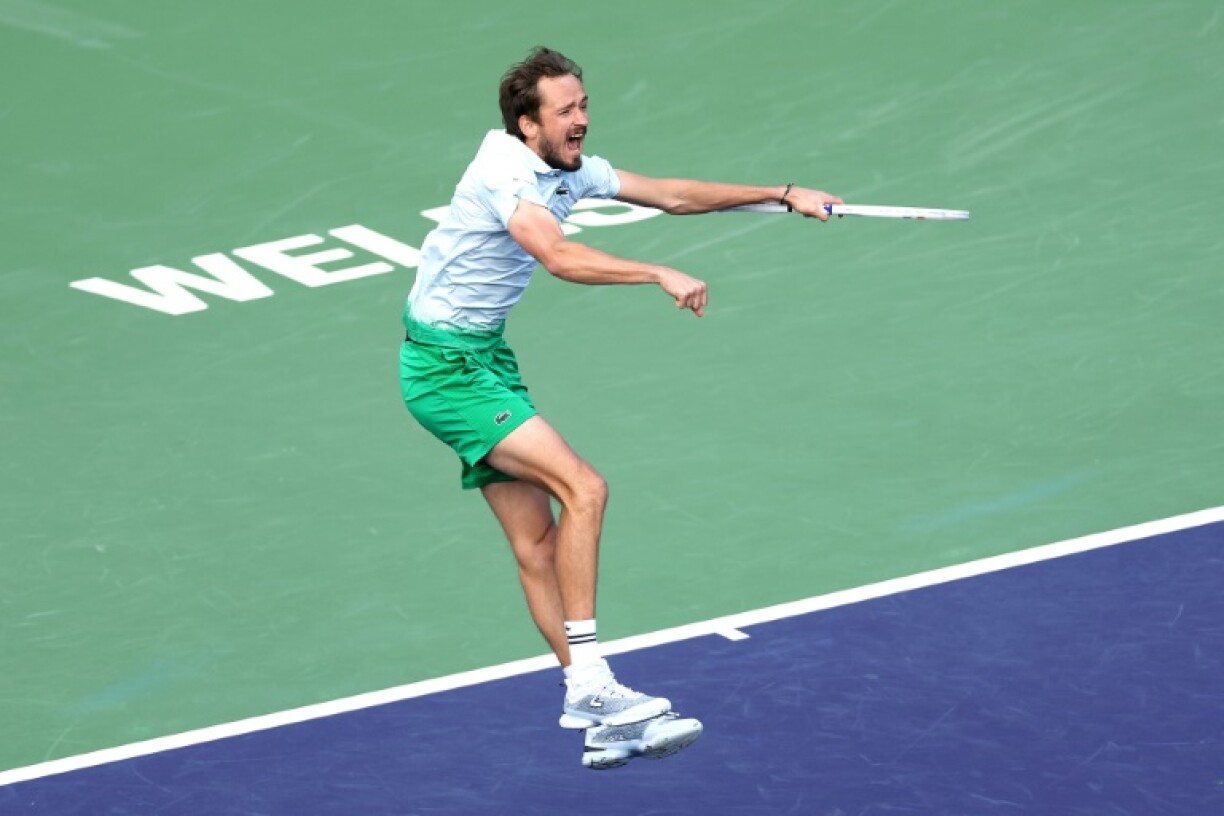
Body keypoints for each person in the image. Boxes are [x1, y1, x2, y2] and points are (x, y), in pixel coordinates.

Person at [399, 46, 842, 768]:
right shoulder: (506, 174)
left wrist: (782, 193)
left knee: (535, 546)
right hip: (448, 372)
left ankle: (594, 712)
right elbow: (560, 257)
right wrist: (655, 271)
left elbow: (670, 193)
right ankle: (596, 683)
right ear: (526, 123)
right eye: (566, 111)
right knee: (586, 488)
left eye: (583, 105)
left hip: (481, 360)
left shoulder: (567, 168)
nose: (582, 120)